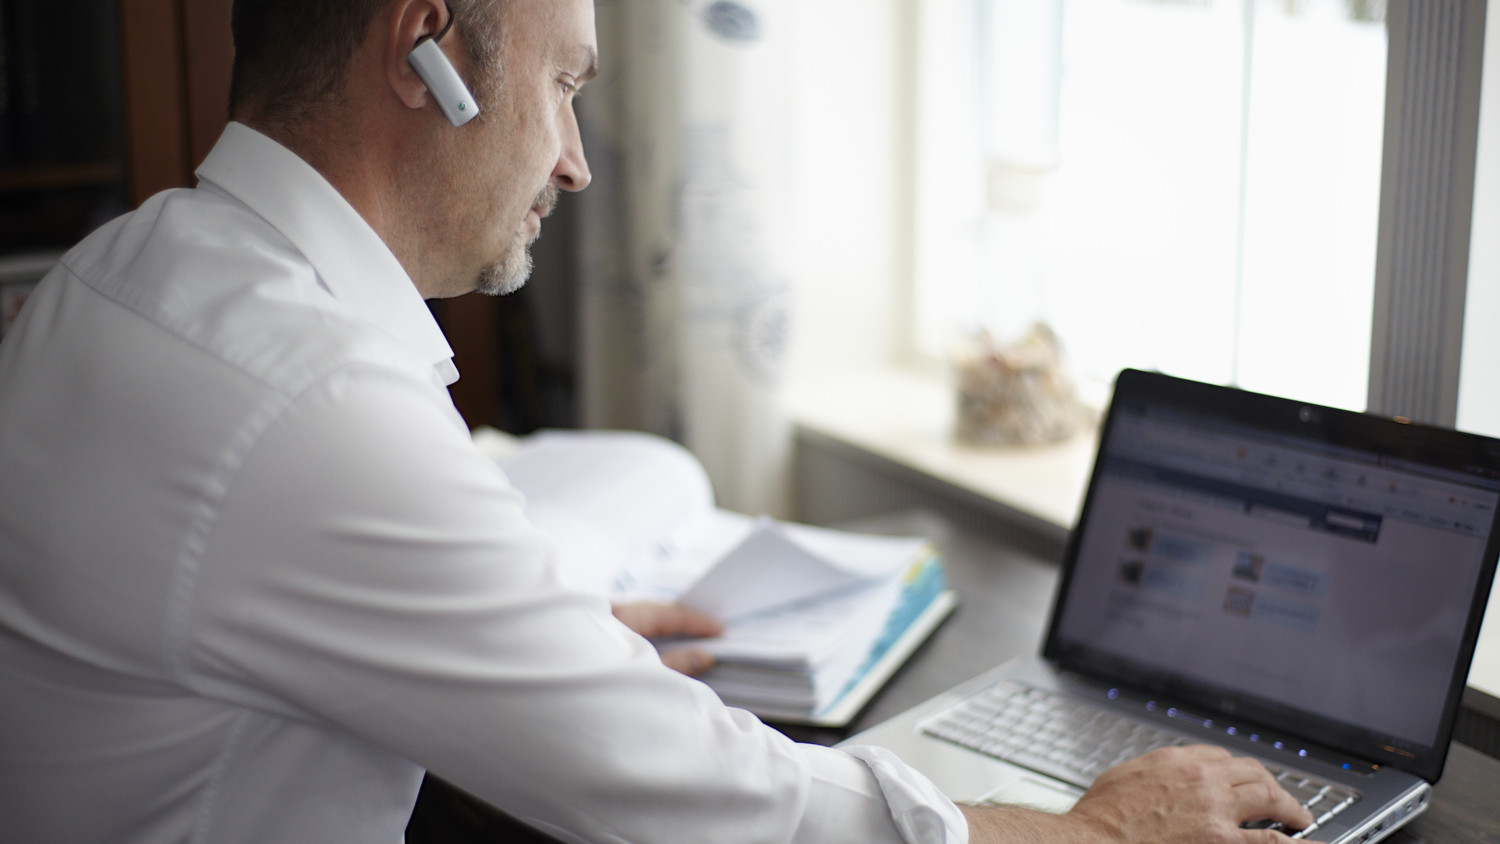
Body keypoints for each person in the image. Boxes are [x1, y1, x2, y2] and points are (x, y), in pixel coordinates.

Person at [0, 1, 1315, 841]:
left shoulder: (123, 267)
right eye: (564, 83)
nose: (573, 158)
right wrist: (1093, 836)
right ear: (426, 49)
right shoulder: (312, 401)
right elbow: (695, 805)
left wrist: (508, 638)